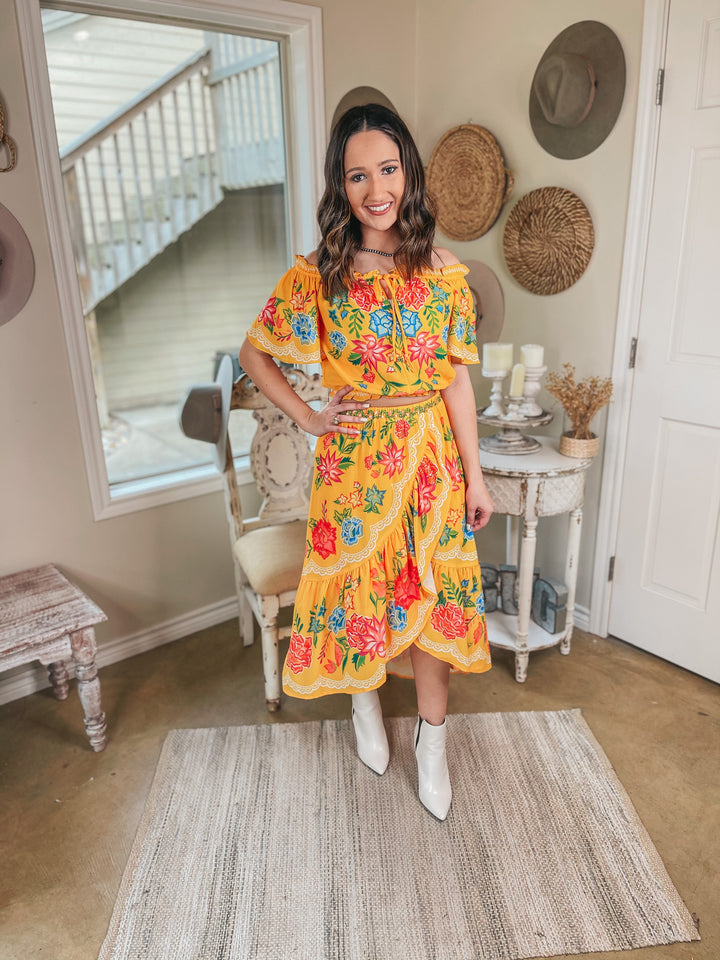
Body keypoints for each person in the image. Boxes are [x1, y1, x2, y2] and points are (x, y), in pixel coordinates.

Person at [239, 103, 494, 821]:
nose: (375, 188)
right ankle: (363, 704)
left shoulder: (443, 271)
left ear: (407, 172)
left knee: (433, 604)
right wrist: (313, 418)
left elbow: (455, 380)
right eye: (358, 175)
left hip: (432, 464)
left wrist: (475, 475)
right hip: (354, 468)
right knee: (361, 597)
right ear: (340, 185)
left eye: (387, 169)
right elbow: (255, 354)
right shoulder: (321, 274)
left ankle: (433, 743)